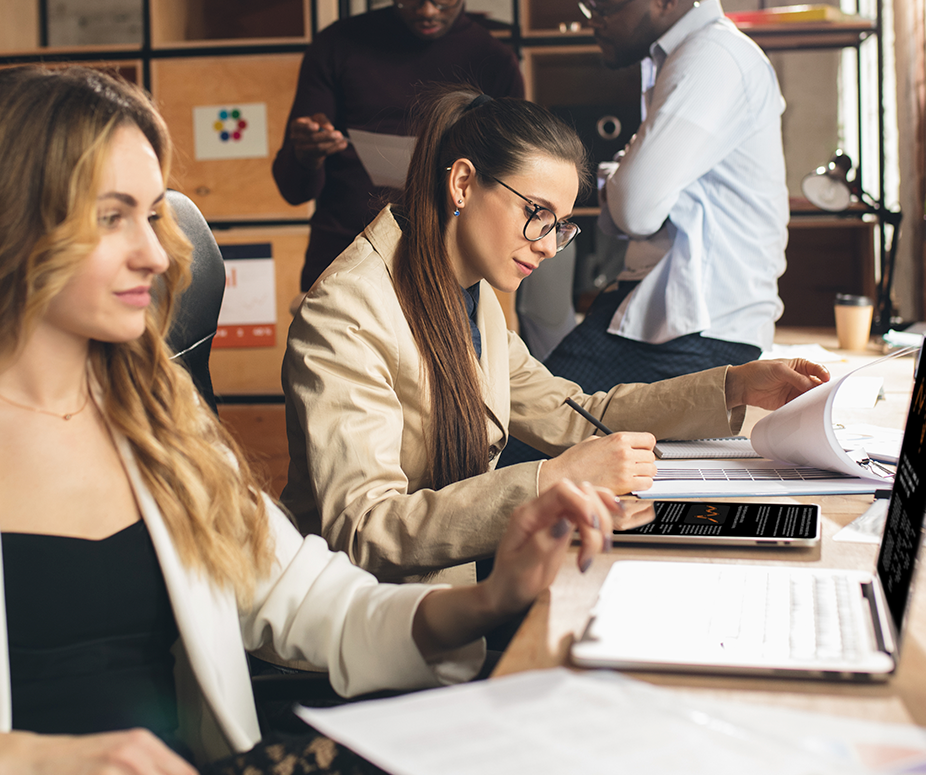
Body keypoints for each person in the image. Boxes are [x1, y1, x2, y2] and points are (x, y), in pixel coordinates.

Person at [0, 67, 618, 775]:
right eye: (114, 217)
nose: (157, 248)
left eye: (152, 211)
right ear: (8, 226)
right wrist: (25, 758)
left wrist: (491, 597)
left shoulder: (159, 414)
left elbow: (314, 605)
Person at [281, 87, 828, 587]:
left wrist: (734, 386)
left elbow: (576, 413)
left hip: (448, 608)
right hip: (364, 628)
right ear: (464, 184)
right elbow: (364, 528)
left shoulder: (468, 295)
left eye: (560, 224)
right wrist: (551, 481)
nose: (547, 244)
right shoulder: (349, 311)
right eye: (536, 213)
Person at [540, 0, 790, 394]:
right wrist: (623, 175)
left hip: (692, 327)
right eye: (588, 7)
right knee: (526, 418)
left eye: (605, 6)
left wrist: (619, 174)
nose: (594, 21)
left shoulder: (711, 56)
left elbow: (634, 209)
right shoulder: (686, 55)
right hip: (674, 316)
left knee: (514, 437)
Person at [272, 0, 524, 291]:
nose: (428, 11)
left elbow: (512, 181)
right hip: (343, 257)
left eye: (444, 1)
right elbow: (293, 190)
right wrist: (307, 154)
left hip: (447, 268)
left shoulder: (494, 60)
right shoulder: (338, 44)